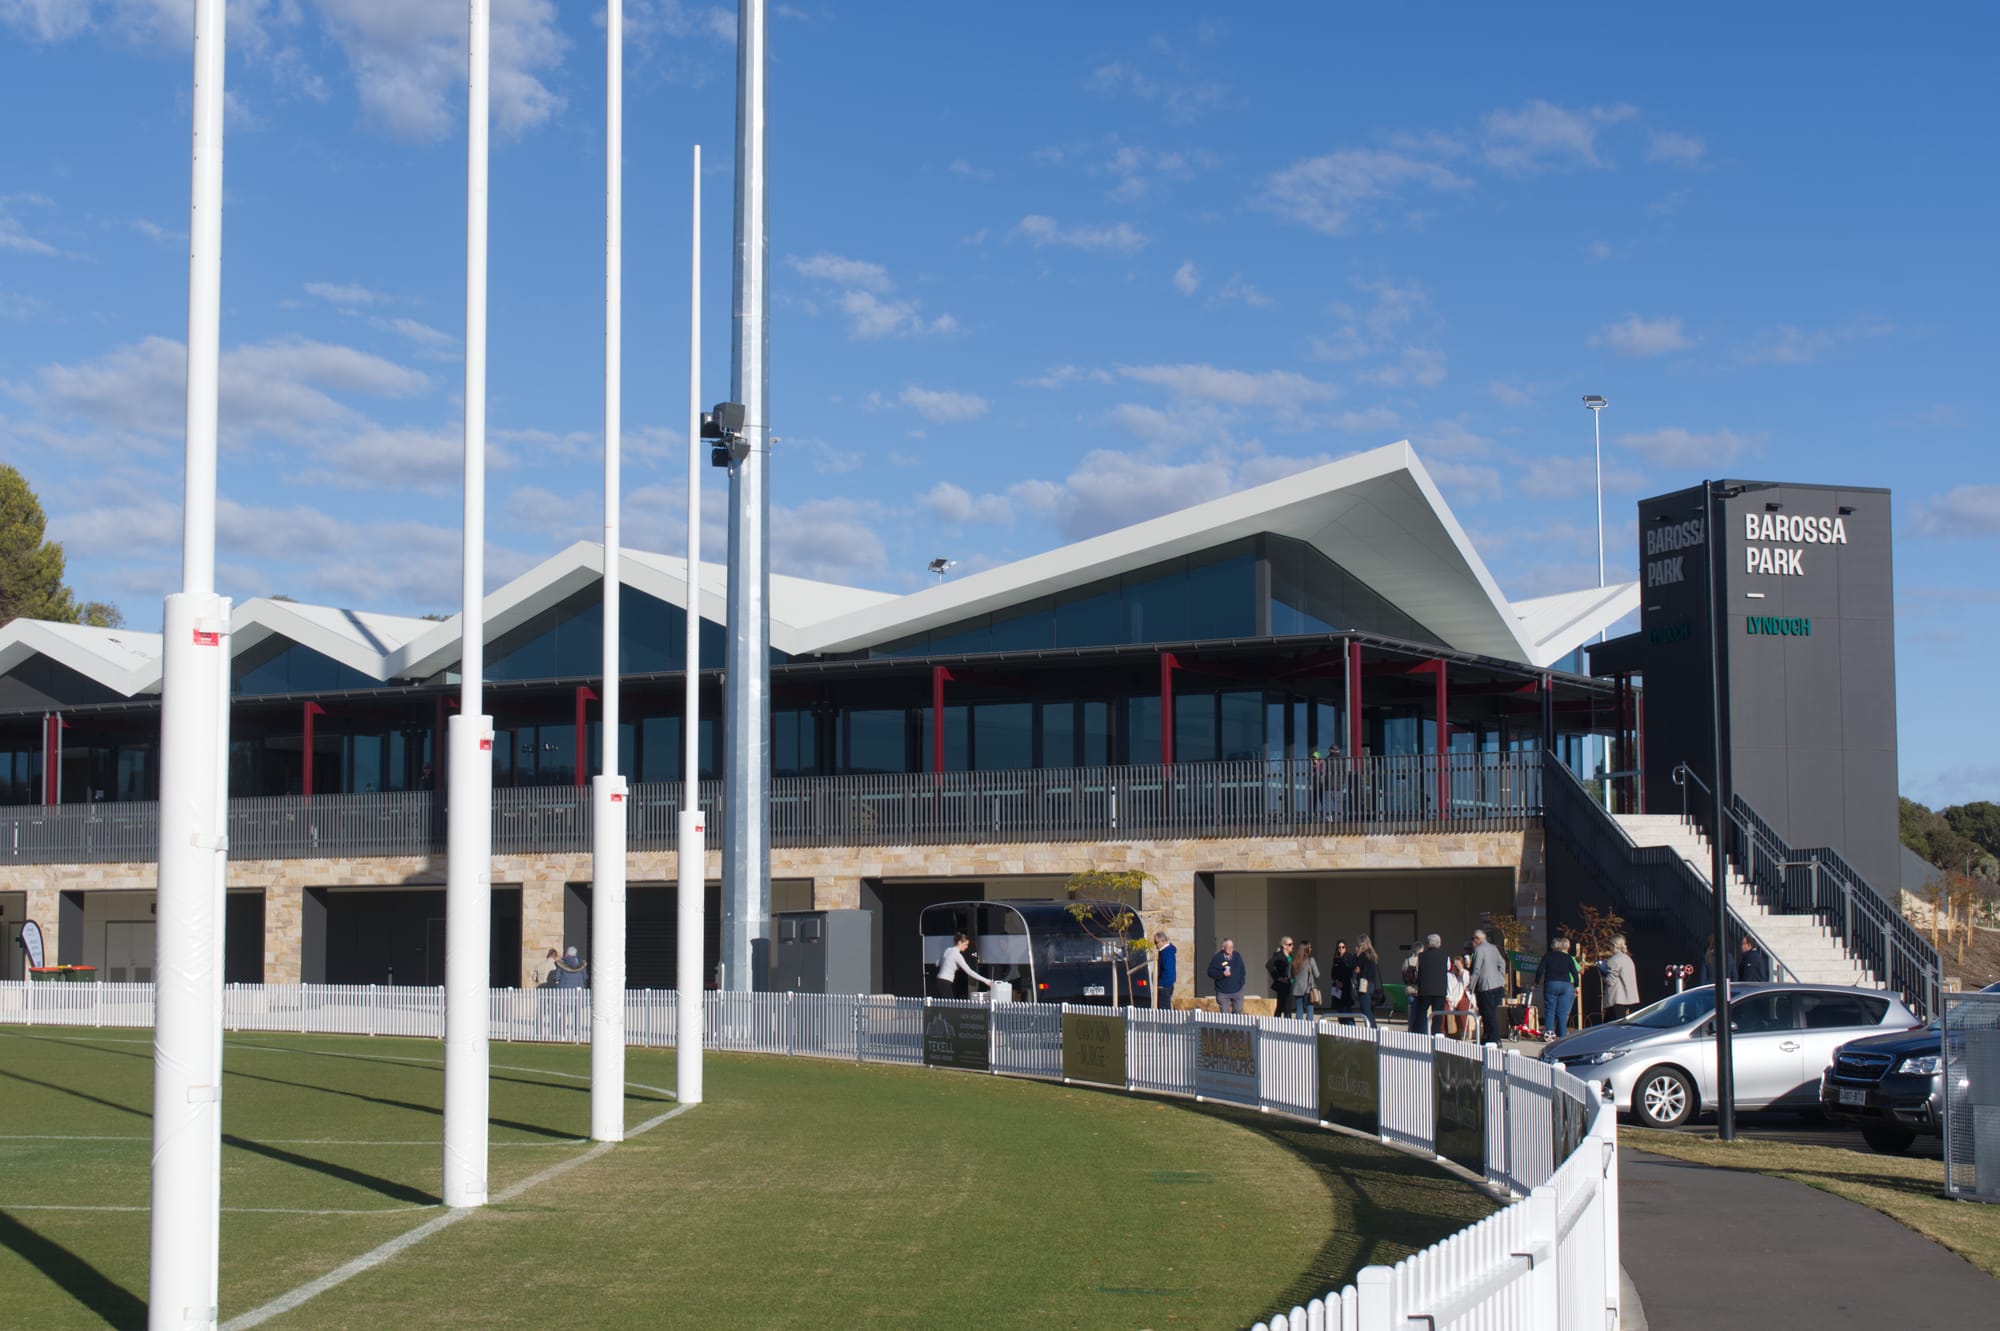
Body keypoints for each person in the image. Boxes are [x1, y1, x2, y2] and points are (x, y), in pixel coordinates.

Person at [1536, 937, 1581, 1040]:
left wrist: (1537, 981)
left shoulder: (1548, 956)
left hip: (1551, 983)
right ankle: (1562, 1034)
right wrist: (1576, 985)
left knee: (1550, 1009)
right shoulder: (1568, 957)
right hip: (1566, 985)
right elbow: (1574, 972)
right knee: (1562, 1011)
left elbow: (1540, 970)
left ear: (1552, 946)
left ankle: (1549, 1033)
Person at [1469, 928, 1508, 1045]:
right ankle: (1487, 1036)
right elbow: (1502, 963)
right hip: (1497, 985)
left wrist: (1471, 985)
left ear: (1478, 939)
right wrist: (1500, 978)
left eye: (1473, 939)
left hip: (1486, 986)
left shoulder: (1479, 950)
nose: (1472, 942)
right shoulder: (1493, 948)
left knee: (1488, 1013)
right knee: (1491, 1012)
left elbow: (1476, 969)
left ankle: (1494, 1038)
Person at [932, 932, 995, 1000]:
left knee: (944, 1004)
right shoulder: (957, 955)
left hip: (939, 980)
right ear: (959, 942)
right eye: (965, 944)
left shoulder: (948, 950)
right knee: (950, 1006)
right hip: (946, 982)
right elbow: (969, 971)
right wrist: (986, 980)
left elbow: (937, 963)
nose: (967, 947)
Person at [1411, 934, 1449, 1035]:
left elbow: (1417, 972)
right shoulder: (1445, 956)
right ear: (1439, 943)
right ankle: (1435, 1034)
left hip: (1425, 989)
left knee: (1421, 1012)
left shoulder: (1421, 956)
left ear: (1428, 944)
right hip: (1440, 990)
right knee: (1437, 1014)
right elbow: (1448, 970)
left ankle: (1419, 1033)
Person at [1597, 935, 1640, 1022]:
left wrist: (1602, 972)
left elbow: (1611, 981)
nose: (1608, 947)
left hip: (1616, 998)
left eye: (1609, 945)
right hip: (1627, 997)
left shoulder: (1613, 960)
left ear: (1613, 946)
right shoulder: (1628, 959)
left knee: (1615, 1025)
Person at [1208, 937, 1247, 1014]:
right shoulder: (1217, 957)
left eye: (1232, 947)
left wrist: (1241, 982)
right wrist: (1222, 974)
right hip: (1223, 991)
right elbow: (1210, 972)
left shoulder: (1237, 956)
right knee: (1225, 1015)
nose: (1231, 949)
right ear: (1223, 948)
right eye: (1228, 947)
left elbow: (1243, 970)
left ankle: (1236, 1026)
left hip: (1237, 990)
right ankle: (1226, 1026)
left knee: (1238, 1011)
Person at [1350, 935, 1382, 1028]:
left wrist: (1356, 954)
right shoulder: (1372, 954)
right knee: (1369, 1009)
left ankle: (1372, 1029)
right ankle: (1373, 1028)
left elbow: (1356, 967)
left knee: (1365, 1009)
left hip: (1364, 984)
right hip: (1371, 983)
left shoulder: (1362, 955)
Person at [1289, 940, 1319, 1019]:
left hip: (1297, 989)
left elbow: (1290, 976)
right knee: (1309, 1009)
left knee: (1299, 1010)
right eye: (1310, 947)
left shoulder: (1293, 961)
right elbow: (1317, 975)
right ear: (1306, 949)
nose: (1311, 949)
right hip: (1308, 989)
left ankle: (1299, 1029)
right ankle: (1309, 1029)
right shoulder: (1311, 960)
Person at [1445, 953, 1472, 1038]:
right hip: (1450, 996)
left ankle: (1465, 1031)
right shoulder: (1449, 975)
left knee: (1462, 1005)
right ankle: (1443, 1031)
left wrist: (1461, 971)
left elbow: (1465, 983)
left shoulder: (1466, 973)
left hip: (1462, 995)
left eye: (1458, 964)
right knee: (1444, 1007)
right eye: (1455, 965)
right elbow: (1448, 988)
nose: (1456, 967)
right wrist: (1448, 998)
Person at [1267, 937, 1295, 1017]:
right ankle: (1276, 1024)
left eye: (1293, 944)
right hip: (1282, 984)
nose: (1292, 946)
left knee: (1288, 1006)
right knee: (1281, 1006)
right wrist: (1278, 977)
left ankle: (1287, 1025)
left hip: (1290, 983)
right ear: (1284, 945)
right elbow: (1268, 965)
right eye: (1290, 944)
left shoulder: (1290, 956)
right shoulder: (1278, 955)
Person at [1326, 939, 1355, 1013]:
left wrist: (1342, 982)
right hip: (1337, 987)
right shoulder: (1336, 959)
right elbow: (1333, 974)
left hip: (1346, 987)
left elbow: (1350, 972)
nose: (1341, 949)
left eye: (1343, 947)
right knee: (1339, 1011)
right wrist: (1337, 981)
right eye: (1339, 947)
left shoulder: (1349, 957)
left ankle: (1350, 1024)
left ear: (1346, 948)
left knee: (1347, 1011)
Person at [1152, 931, 1178, 1009]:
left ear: (1162, 941)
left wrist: (1160, 984)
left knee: (1164, 1010)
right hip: (1164, 985)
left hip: (1164, 986)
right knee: (1163, 1010)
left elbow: (1167, 970)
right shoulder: (1165, 952)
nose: (1155, 945)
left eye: (1156, 942)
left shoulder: (1167, 952)